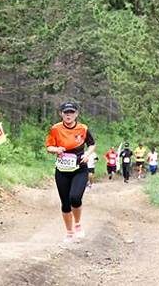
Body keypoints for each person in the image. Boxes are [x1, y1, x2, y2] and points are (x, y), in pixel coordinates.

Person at [45, 102, 96, 243]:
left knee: (75, 197)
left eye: (71, 112)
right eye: (66, 112)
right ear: (61, 113)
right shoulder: (55, 129)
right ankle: (69, 232)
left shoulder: (83, 128)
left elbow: (92, 143)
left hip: (80, 167)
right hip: (62, 169)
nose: (68, 115)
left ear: (76, 114)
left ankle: (78, 224)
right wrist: (56, 150)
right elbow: (49, 146)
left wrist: (88, 154)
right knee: (65, 203)